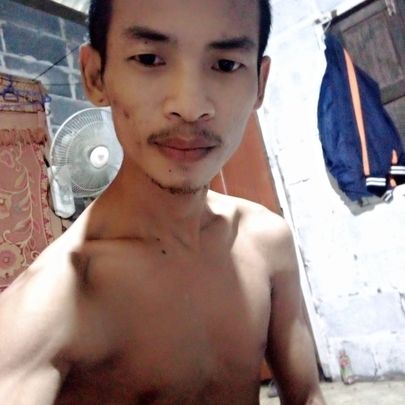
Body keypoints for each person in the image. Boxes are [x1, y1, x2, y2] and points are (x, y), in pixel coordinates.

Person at [0, 0, 326, 404]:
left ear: (259, 84)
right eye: (149, 59)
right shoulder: (49, 307)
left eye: (226, 65)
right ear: (95, 76)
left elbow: (307, 397)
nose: (190, 107)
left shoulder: (267, 241)